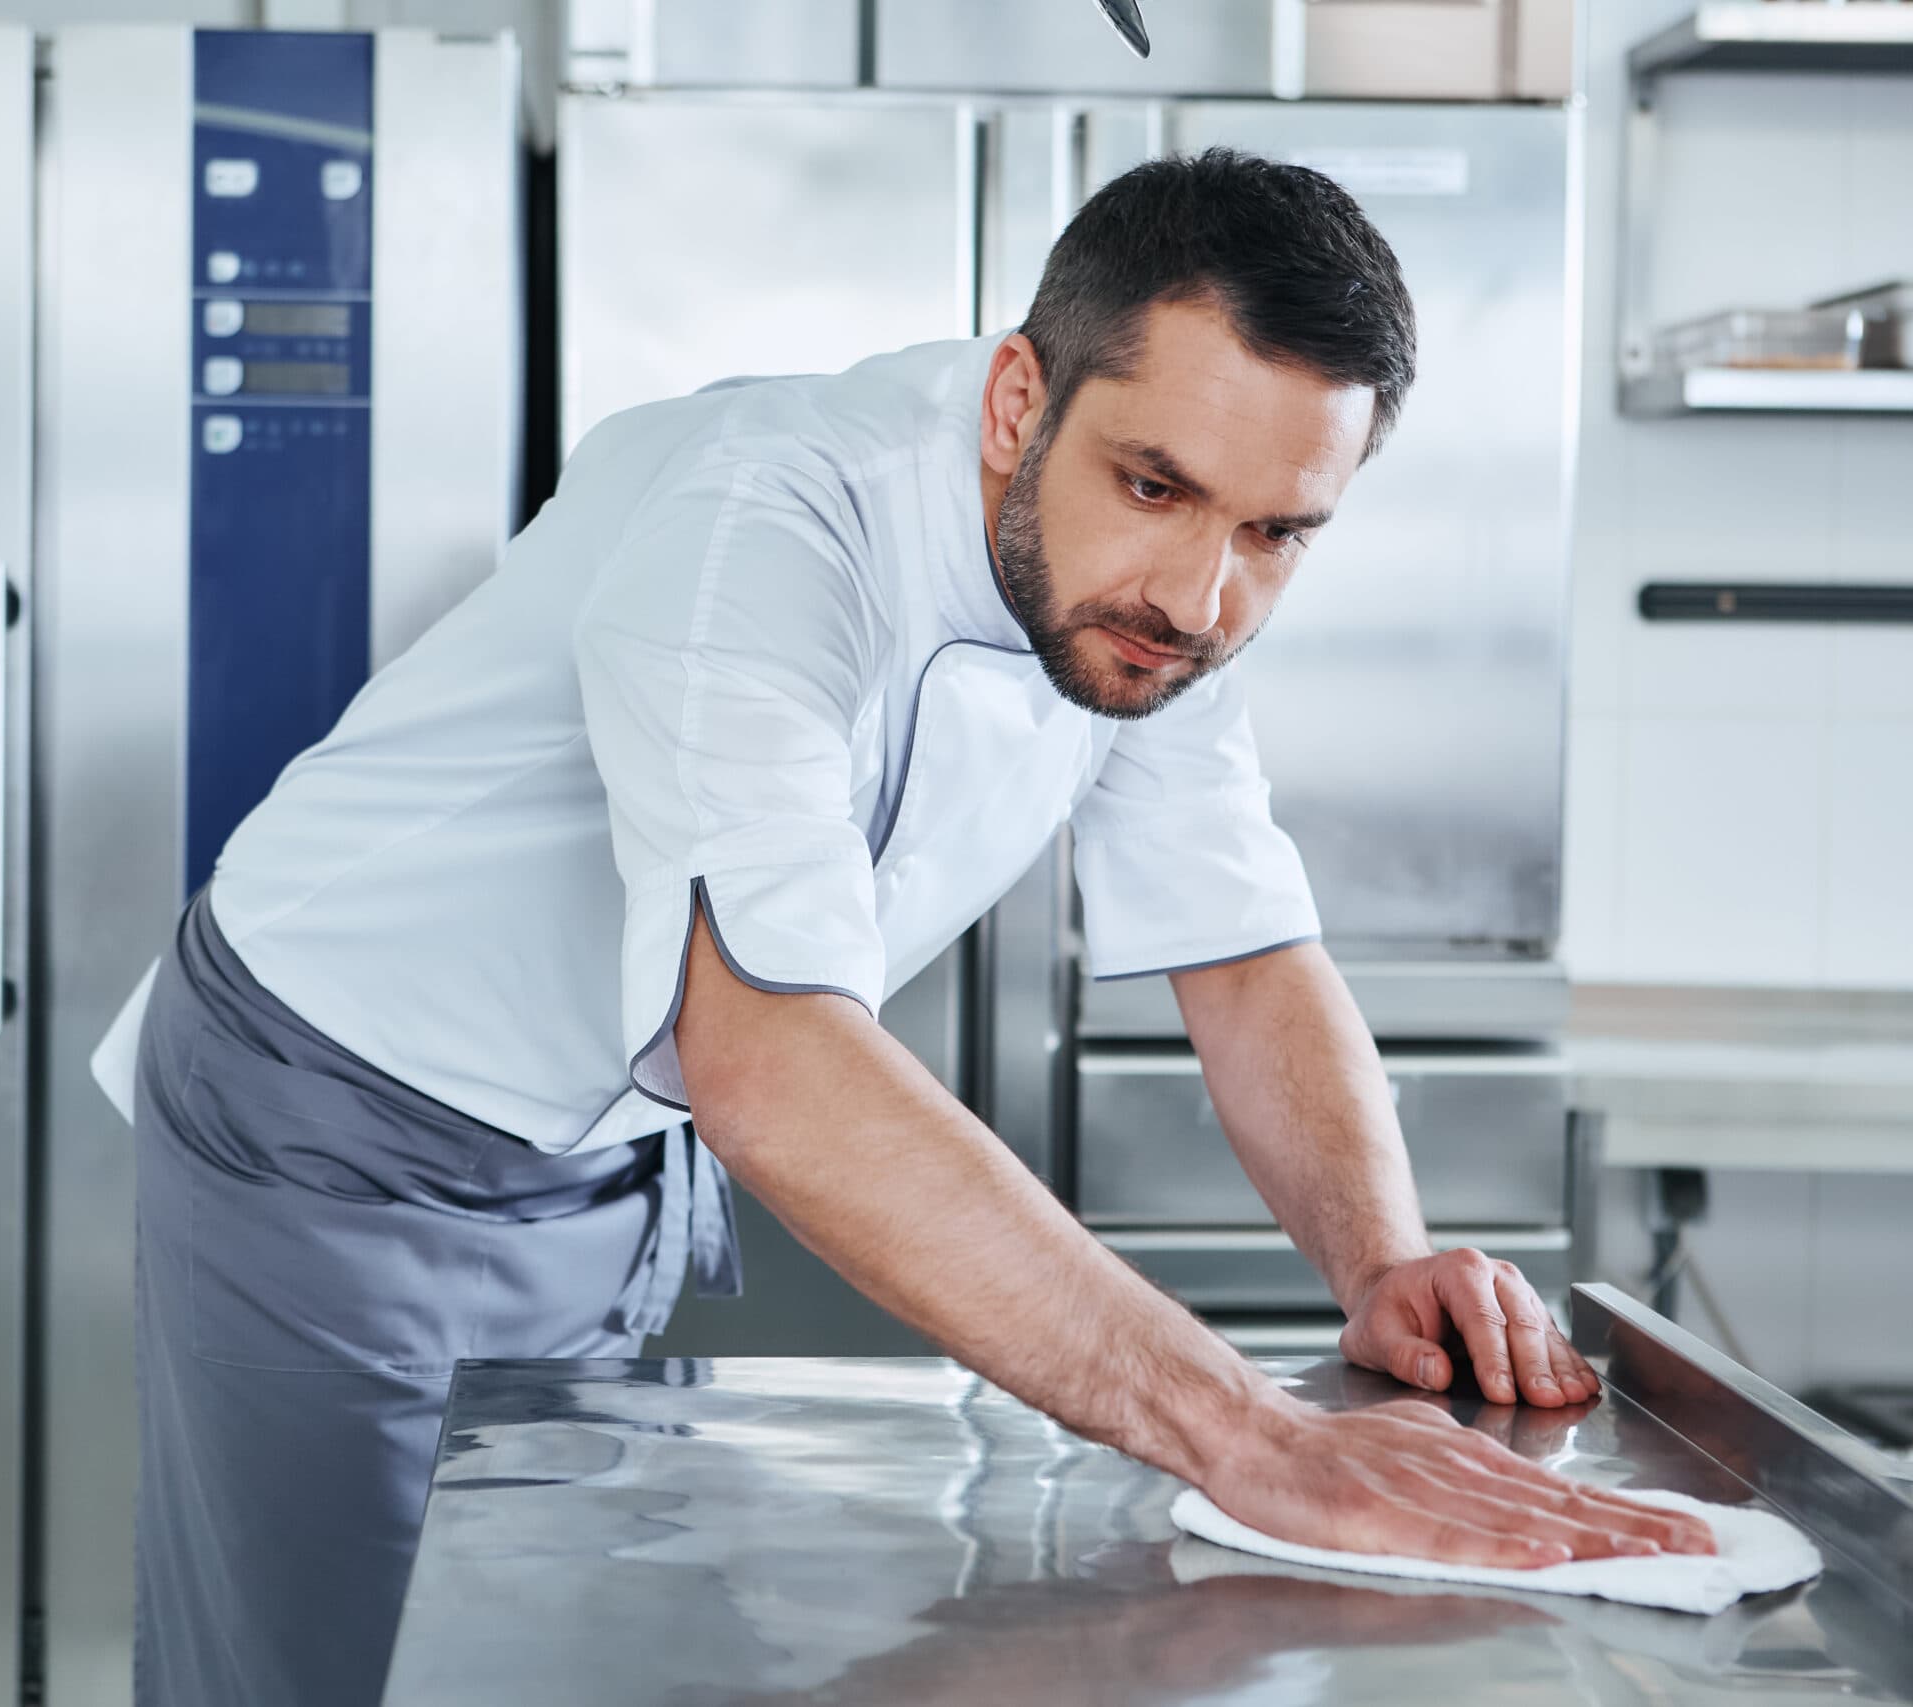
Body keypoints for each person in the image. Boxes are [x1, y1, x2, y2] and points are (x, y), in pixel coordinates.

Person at [92, 149, 1714, 1707]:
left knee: (534, 1643)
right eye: (1154, 487)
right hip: (335, 1118)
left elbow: (1242, 945)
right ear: (1022, 401)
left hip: (605, 1152)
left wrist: (1383, 1261)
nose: (1203, 596)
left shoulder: (1156, 598)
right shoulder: (766, 526)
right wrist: (1251, 1435)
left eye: (1277, 533)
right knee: (333, 1678)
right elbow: (773, 1061)